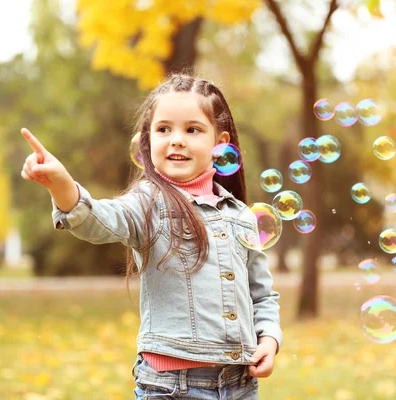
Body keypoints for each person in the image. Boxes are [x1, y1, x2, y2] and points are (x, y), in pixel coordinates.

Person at [20, 73, 283, 399]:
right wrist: (62, 186)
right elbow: (100, 221)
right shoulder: (147, 204)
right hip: (172, 387)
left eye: (193, 129)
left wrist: (269, 339)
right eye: (163, 129)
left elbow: (262, 295)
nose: (176, 139)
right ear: (147, 140)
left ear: (220, 144)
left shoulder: (242, 215)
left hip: (240, 384)